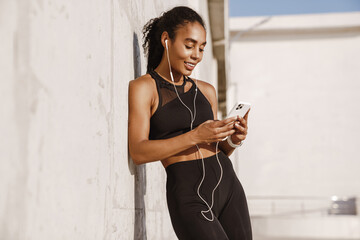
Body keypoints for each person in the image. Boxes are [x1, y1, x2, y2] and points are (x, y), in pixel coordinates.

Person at [128, 6, 252, 240]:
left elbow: (215, 150)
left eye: (202, 48)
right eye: (189, 45)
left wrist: (233, 141)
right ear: (166, 39)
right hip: (188, 196)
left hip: (230, 189)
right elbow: (138, 152)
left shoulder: (207, 91)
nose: (196, 54)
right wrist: (196, 135)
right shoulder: (144, 88)